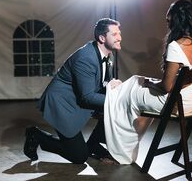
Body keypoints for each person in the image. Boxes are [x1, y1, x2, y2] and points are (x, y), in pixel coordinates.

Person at [103, 0, 192, 164]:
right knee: (136, 82)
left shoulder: (177, 45)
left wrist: (150, 84)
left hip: (175, 103)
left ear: (178, 20)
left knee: (129, 91)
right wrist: (150, 82)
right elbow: (181, 79)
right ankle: (125, 144)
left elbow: (166, 86)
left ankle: (120, 150)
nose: (167, 23)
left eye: (169, 20)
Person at [23, 18, 122, 164]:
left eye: (119, 33)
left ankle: (93, 144)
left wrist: (113, 86)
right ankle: (36, 135)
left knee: (114, 109)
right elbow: (87, 97)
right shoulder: (86, 58)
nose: (119, 37)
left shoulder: (109, 54)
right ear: (102, 38)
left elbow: (101, 83)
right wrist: (118, 100)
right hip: (62, 103)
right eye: (114, 34)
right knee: (79, 157)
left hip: (78, 99)